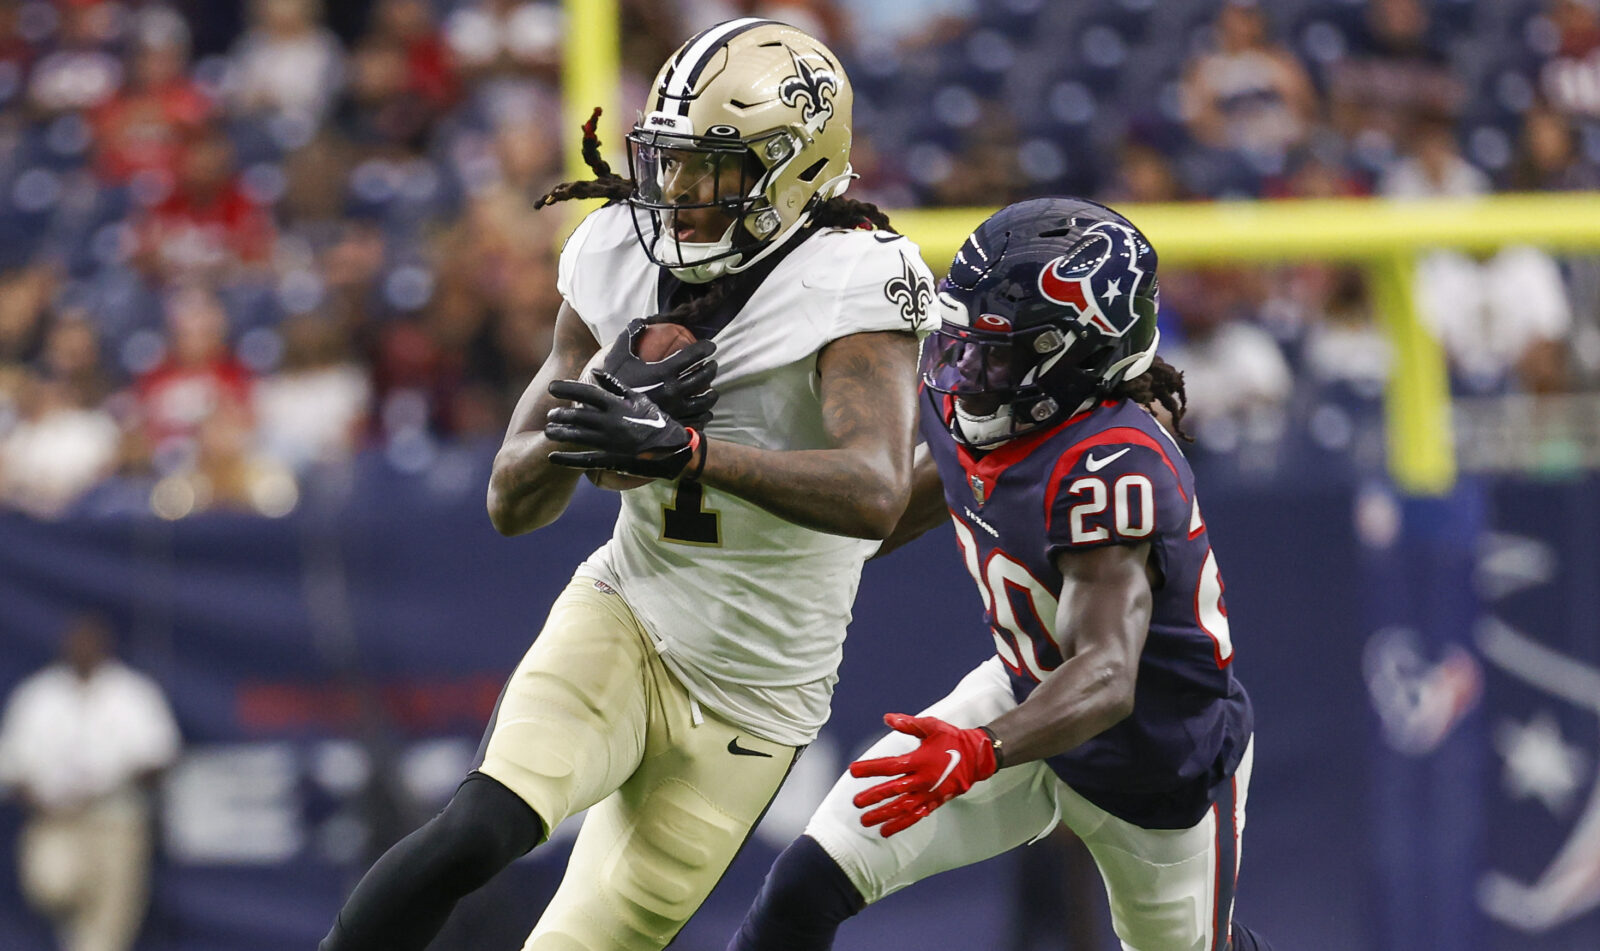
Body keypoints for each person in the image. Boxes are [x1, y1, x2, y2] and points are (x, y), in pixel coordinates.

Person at [319, 18, 937, 951]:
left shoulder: (855, 279)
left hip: (759, 688)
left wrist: (685, 451)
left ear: (795, 170)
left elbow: (874, 490)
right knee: (475, 831)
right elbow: (510, 501)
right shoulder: (616, 253)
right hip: (628, 611)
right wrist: (589, 424)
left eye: (713, 169)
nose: (679, 194)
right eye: (669, 162)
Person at [728, 198, 1273, 951]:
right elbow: (885, 512)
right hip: (1023, 695)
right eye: (964, 342)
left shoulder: (1109, 465)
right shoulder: (987, 412)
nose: (968, 370)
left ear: (1079, 354)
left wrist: (979, 748)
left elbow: (1108, 674)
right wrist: (750, 542)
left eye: (1000, 352)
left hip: (1154, 768)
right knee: (805, 884)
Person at [0, 614, 182, 951]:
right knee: (52, 882)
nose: (83, 649)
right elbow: (11, 769)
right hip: (55, 821)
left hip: (117, 820)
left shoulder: (133, 693)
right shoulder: (38, 696)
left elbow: (161, 757)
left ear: (105, 646)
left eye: (91, 642)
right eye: (77, 641)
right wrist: (42, 799)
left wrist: (113, 783)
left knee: (106, 931)